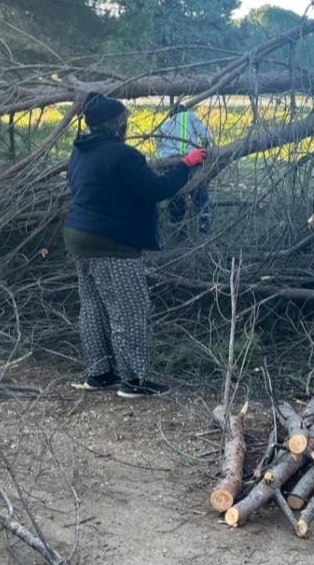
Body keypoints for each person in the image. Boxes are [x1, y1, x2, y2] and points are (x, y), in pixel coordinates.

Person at [64, 93, 208, 398]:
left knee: (92, 306)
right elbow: (157, 189)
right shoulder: (124, 155)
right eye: (124, 121)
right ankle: (133, 381)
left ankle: (99, 374)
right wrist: (185, 165)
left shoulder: (80, 152)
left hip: (78, 235)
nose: (126, 125)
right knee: (128, 310)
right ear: (116, 125)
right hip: (112, 242)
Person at [156, 104, 214, 235]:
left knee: (176, 198)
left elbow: (158, 147)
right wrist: (205, 149)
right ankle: (204, 228)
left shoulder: (163, 126)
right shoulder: (189, 116)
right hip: (190, 160)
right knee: (200, 194)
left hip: (169, 164)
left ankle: (178, 232)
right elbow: (206, 135)